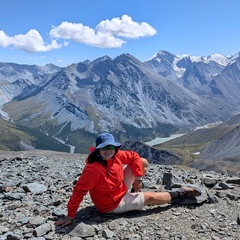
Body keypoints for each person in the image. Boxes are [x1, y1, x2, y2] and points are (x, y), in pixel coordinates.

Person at [55, 133, 201, 227]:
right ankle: (180, 194)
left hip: (119, 189)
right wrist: (70, 216)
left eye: (111, 147)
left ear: (115, 147)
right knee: (152, 197)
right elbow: (79, 191)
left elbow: (134, 157)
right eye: (104, 148)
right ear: (98, 150)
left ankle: (133, 193)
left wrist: (138, 178)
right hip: (111, 203)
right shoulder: (93, 169)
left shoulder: (116, 155)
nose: (108, 150)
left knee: (142, 161)